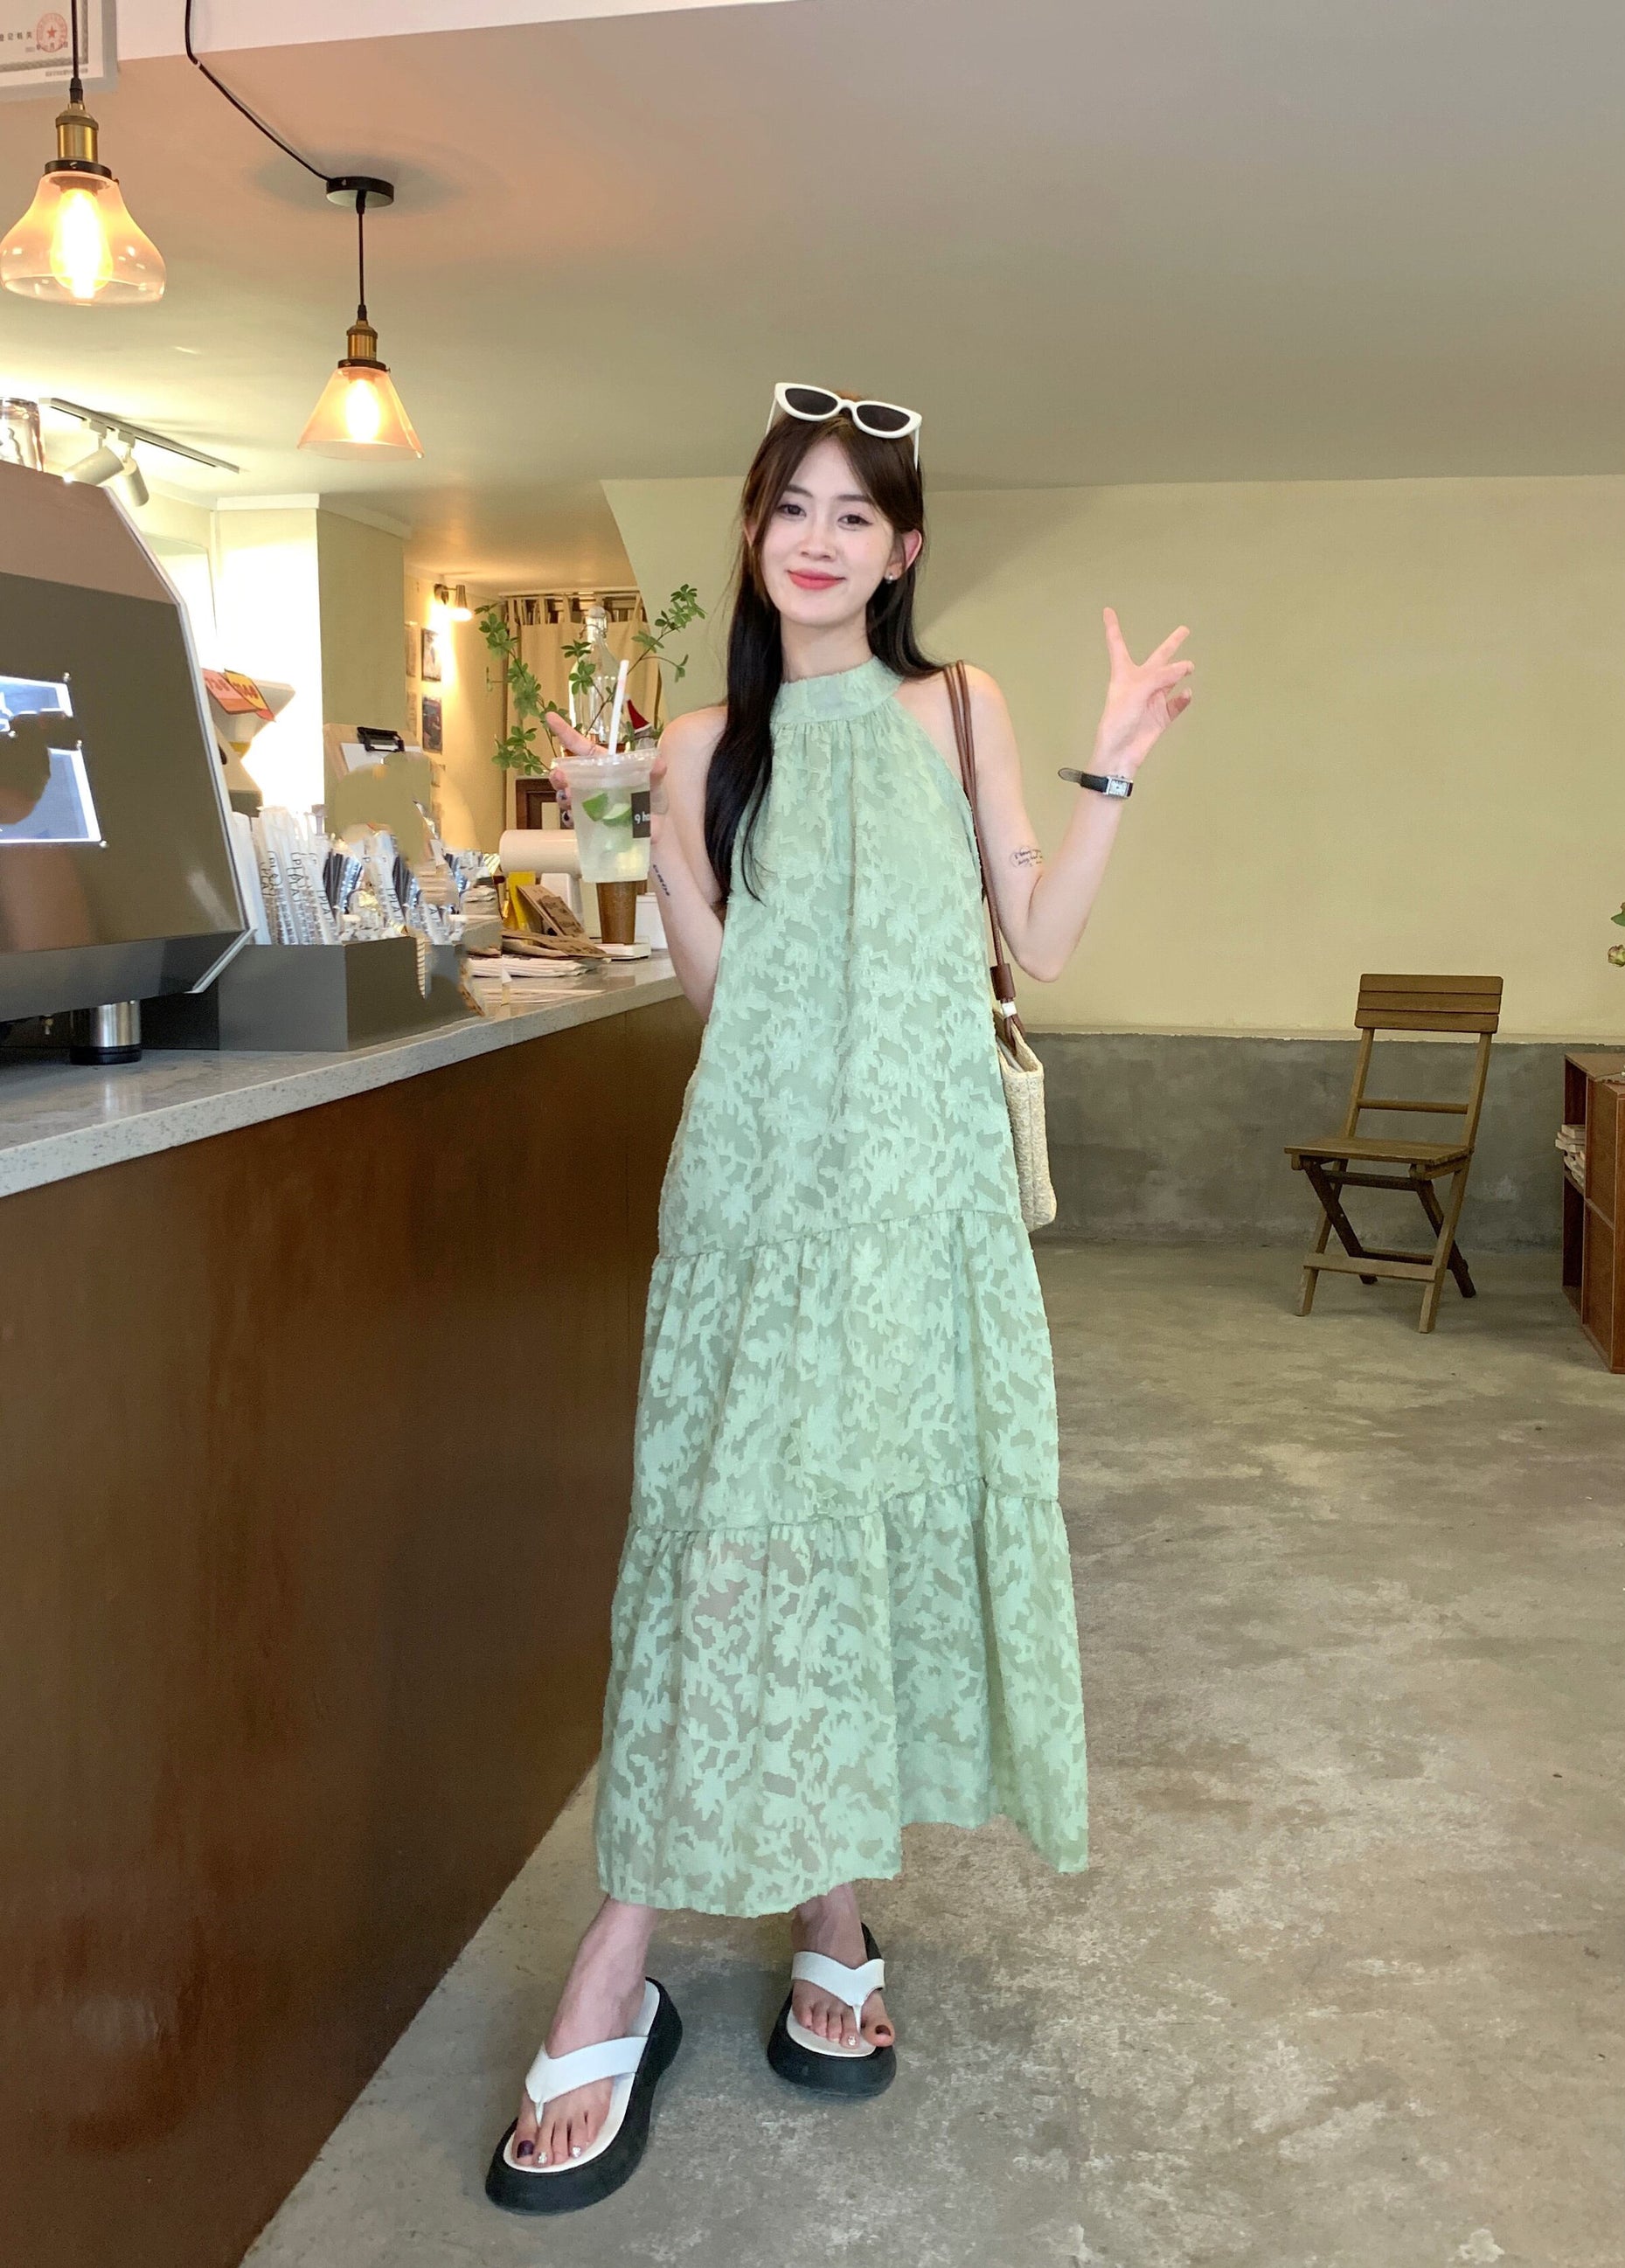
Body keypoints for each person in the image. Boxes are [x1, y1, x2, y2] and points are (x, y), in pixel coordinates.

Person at [484, 385, 1193, 2213]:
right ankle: (618, 1957)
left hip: (916, 1207)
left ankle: (830, 1906)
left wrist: (1111, 764)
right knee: (721, 1547)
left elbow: (1037, 939)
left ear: (902, 549)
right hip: (758, 1201)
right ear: (753, 532)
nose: (817, 538)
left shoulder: (957, 708)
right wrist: (650, 828)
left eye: (853, 514)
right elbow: (724, 1002)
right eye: (790, 506)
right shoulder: (703, 740)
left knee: (858, 1532)